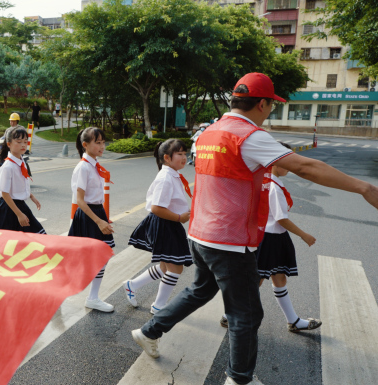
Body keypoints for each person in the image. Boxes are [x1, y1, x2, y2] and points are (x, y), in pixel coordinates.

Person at [130, 72, 378, 385]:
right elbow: (305, 166)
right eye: (271, 106)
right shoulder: (249, 136)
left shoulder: (208, 133)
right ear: (262, 103)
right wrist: (363, 188)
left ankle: (149, 330)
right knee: (246, 315)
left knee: (201, 290)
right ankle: (239, 379)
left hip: (200, 234)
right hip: (230, 241)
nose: (270, 111)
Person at [220, 142, 321, 332]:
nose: (290, 166)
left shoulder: (270, 183)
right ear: (274, 162)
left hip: (275, 238)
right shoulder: (273, 187)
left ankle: (293, 320)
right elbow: (281, 219)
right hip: (269, 239)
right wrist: (304, 235)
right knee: (256, 280)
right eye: (287, 161)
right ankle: (229, 315)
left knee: (279, 277)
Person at [123, 139, 192, 313]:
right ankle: (158, 306)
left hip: (169, 224)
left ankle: (132, 285)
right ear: (167, 158)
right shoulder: (166, 178)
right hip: (165, 224)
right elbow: (156, 208)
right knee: (176, 268)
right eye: (180, 154)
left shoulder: (171, 174)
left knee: (165, 267)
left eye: (185, 153)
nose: (185, 157)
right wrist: (178, 217)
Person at [69, 127, 115, 312]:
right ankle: (89, 296)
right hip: (89, 215)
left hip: (96, 212)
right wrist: (99, 221)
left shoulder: (93, 165)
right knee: (91, 256)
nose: (102, 146)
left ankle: (93, 297)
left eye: (103, 142)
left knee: (101, 255)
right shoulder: (83, 167)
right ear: (85, 145)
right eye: (98, 142)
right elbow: (80, 200)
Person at [0, 127, 44, 234]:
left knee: (34, 239)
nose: (23, 145)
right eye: (19, 142)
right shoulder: (8, 167)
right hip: (8, 209)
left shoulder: (21, 162)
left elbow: (18, 185)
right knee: (6, 243)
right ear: (9, 144)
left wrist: (31, 196)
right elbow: (5, 193)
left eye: (25, 142)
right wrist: (19, 214)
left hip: (20, 206)